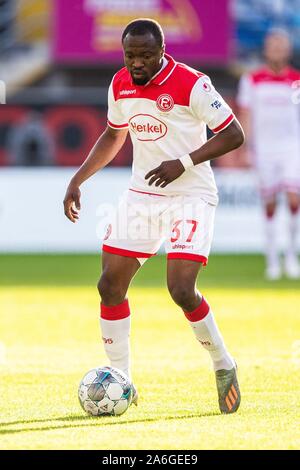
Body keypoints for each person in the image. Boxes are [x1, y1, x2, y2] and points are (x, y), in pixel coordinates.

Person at [64, 19, 244, 414]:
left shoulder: (193, 84)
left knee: (181, 289)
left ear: (162, 51)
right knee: (109, 285)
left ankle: (222, 363)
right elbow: (114, 135)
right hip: (143, 195)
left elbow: (234, 135)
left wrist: (183, 162)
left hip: (190, 194)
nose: (138, 63)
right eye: (131, 55)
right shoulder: (119, 85)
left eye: (146, 55)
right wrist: (78, 179)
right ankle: (122, 380)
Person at [237, 29, 300, 280]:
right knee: (270, 203)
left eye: (281, 45)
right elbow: (246, 115)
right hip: (263, 150)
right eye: (272, 45)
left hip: (292, 147)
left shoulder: (296, 80)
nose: (276, 50)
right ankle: (272, 260)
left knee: (294, 199)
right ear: (266, 49)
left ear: (287, 50)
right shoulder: (252, 80)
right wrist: (245, 148)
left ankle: (291, 256)